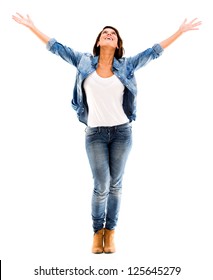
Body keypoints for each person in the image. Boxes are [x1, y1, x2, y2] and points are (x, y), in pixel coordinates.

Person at [12, 13, 202, 254]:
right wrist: (32, 27)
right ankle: (96, 232)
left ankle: (110, 233)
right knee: (101, 185)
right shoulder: (83, 61)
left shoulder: (127, 65)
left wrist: (180, 32)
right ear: (99, 42)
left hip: (122, 133)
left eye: (113, 34)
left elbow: (153, 52)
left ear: (117, 43)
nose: (109, 34)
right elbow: (56, 48)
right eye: (105, 33)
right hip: (95, 134)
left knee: (116, 186)